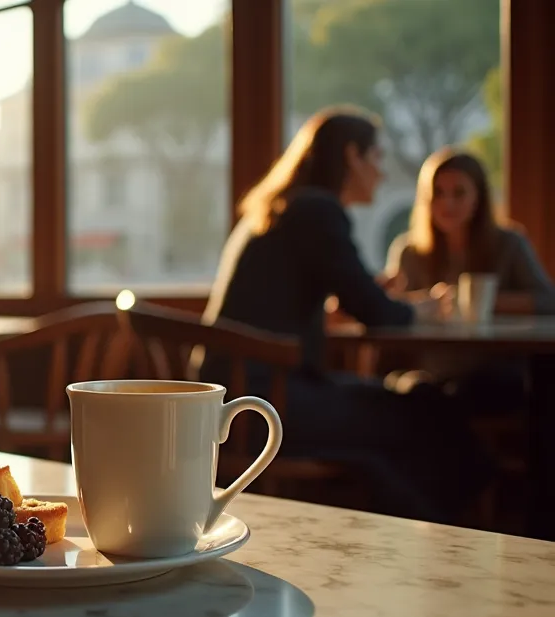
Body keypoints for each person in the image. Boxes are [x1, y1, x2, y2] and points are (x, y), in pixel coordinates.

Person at [197, 106, 491, 523]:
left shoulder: (282, 207)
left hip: (240, 397)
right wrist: (419, 308)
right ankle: (459, 532)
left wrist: (358, 304)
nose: (381, 171)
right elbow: (379, 314)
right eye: (376, 157)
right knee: (424, 409)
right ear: (352, 156)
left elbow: (307, 298)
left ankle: (428, 527)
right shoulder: (318, 210)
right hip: (266, 405)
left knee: (412, 406)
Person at [382, 147, 553, 412]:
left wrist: (483, 302)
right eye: (438, 193)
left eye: (459, 193)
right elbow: (391, 311)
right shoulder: (409, 252)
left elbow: (548, 302)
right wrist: (418, 302)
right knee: (409, 390)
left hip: (492, 371)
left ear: (478, 199)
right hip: (429, 372)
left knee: (471, 392)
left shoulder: (509, 243)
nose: (447, 203)